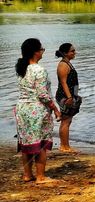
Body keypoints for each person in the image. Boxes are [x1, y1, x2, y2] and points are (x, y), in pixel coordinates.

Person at [14, 38, 61, 184]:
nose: (42, 53)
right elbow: (42, 94)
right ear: (35, 52)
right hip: (37, 109)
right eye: (42, 50)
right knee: (41, 142)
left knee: (26, 141)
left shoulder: (21, 69)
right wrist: (55, 108)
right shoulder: (39, 70)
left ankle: (27, 174)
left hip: (22, 108)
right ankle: (40, 176)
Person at [55, 43, 81, 153]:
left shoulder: (68, 63)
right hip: (65, 96)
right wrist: (69, 97)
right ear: (65, 53)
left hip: (70, 95)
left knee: (67, 121)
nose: (74, 53)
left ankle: (65, 145)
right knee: (65, 121)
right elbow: (63, 82)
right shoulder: (63, 65)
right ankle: (64, 147)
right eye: (72, 51)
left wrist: (75, 96)